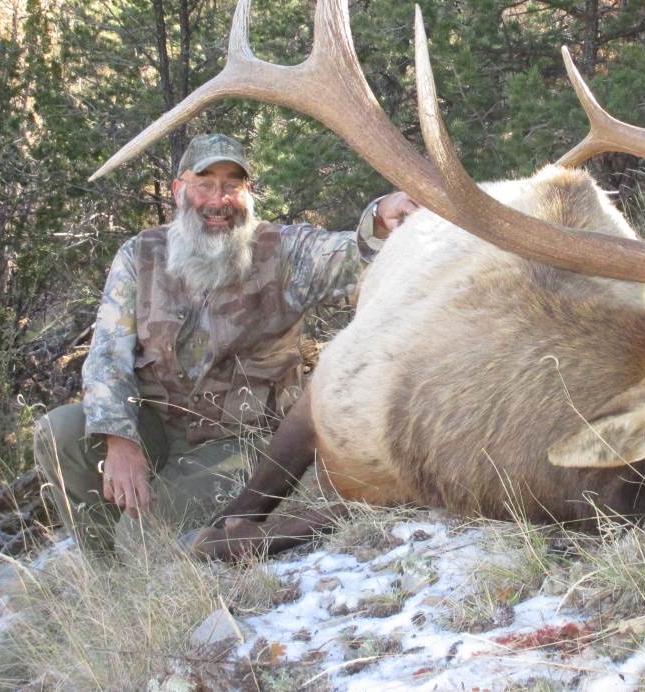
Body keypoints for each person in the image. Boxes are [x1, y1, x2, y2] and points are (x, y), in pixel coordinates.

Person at [34, 133, 417, 555]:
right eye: (205, 184)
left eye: (231, 185)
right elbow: (108, 354)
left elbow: (351, 256)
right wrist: (119, 439)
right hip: (158, 424)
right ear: (180, 189)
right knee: (60, 432)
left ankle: (140, 552)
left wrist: (381, 218)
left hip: (242, 441)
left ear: (247, 193)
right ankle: (108, 571)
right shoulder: (140, 255)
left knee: (141, 537)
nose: (218, 200)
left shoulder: (282, 252)